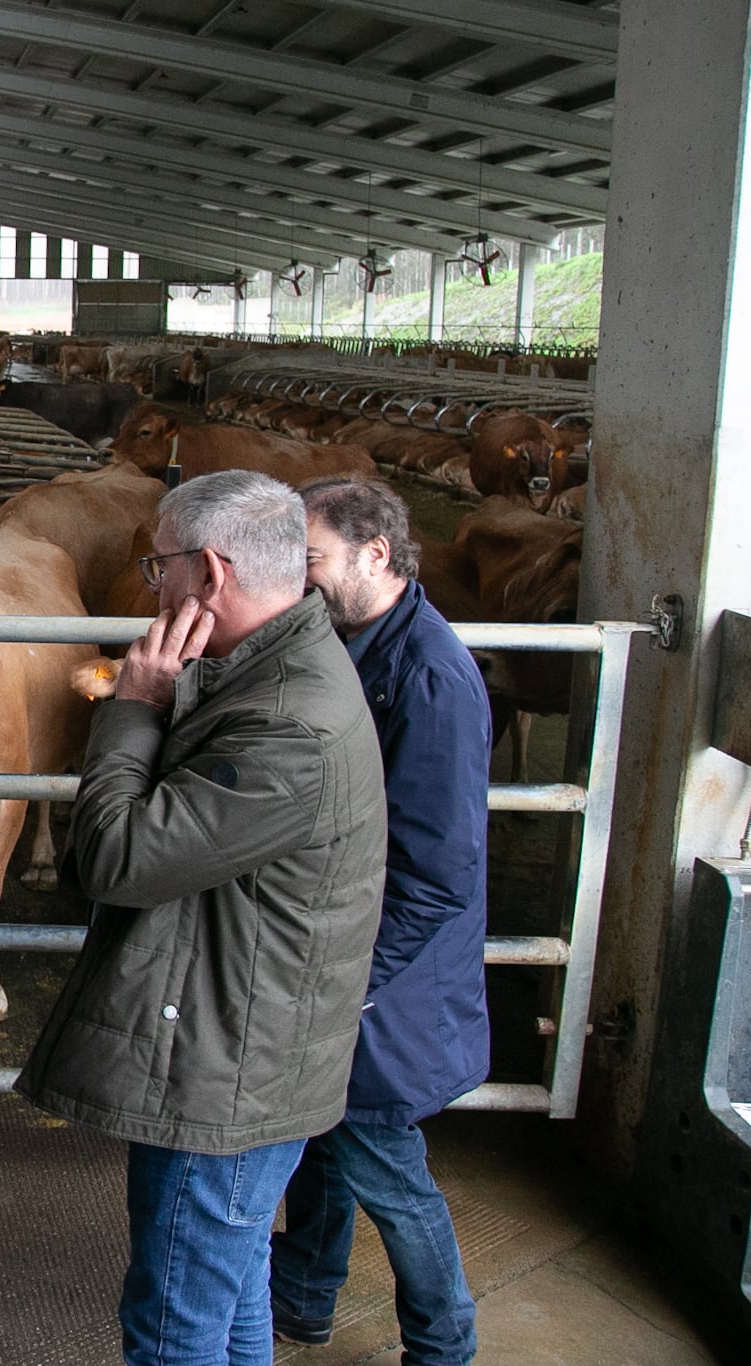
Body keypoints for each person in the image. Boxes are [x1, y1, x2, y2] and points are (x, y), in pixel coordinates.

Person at [16, 469, 389, 1366]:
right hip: (241, 1043)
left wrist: (134, 709)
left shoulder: (291, 723)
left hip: (226, 1070)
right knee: (229, 1293)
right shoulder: (273, 670)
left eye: (162, 567)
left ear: (212, 573)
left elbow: (116, 859)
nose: (156, 588)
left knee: (174, 1319)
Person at [268, 477, 491, 1363]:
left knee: (385, 1169)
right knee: (327, 1139)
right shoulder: (362, 644)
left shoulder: (430, 676)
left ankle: (445, 1345)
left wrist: (351, 979)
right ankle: (308, 1296)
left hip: (387, 981)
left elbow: (438, 871)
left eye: (311, 560)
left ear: (376, 555)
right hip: (365, 959)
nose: (300, 579)